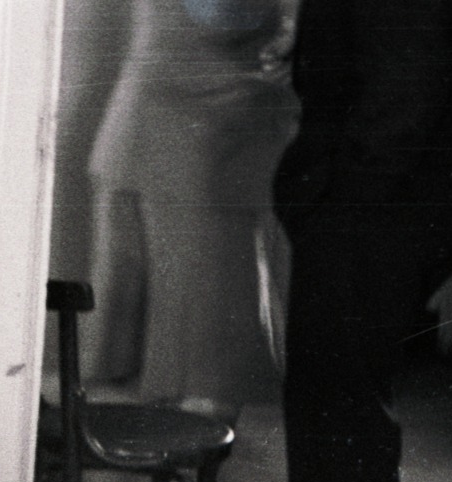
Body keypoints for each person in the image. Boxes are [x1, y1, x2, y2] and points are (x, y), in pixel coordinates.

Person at [274, 0, 452, 482]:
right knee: (341, 410)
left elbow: (403, 101)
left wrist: (327, 202)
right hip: (381, 208)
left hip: (370, 214)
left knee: (340, 415)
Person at [83, 0, 298, 423]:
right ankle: (187, 460)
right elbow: (224, 18)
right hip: (190, 150)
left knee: (187, 326)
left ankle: (182, 457)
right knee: (204, 330)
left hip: (177, 141)